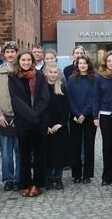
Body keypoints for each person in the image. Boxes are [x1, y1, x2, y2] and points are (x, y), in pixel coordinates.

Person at [8, 51, 50, 197]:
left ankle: (37, 184)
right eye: (23, 60)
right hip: (23, 122)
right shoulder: (13, 78)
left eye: (28, 60)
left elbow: (45, 97)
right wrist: (30, 115)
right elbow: (16, 101)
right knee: (24, 154)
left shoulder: (40, 76)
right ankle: (25, 183)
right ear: (18, 61)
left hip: (40, 121)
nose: (25, 62)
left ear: (32, 61)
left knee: (39, 154)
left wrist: (35, 114)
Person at [0, 41, 21, 191]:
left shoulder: (21, 69)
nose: (10, 55)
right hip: (4, 117)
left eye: (12, 52)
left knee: (19, 149)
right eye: (7, 52)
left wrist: (20, 116)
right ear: (4, 54)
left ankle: (18, 178)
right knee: (6, 151)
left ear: (17, 53)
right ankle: (8, 178)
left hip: (19, 117)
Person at [93, 51, 112, 186]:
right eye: (109, 61)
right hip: (105, 115)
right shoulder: (99, 77)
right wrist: (95, 116)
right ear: (105, 62)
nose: (111, 63)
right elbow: (96, 97)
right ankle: (107, 176)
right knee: (107, 146)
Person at [66, 55, 97, 184]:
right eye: (80, 63)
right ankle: (76, 174)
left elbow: (94, 98)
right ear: (77, 65)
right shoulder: (71, 79)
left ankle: (87, 175)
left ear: (88, 65)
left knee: (89, 146)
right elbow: (69, 98)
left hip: (89, 116)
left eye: (85, 63)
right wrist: (77, 114)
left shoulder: (94, 79)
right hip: (75, 117)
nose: (82, 65)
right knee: (75, 146)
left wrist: (84, 113)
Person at [44, 62, 70, 190]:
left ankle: (58, 177)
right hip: (46, 127)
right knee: (47, 153)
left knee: (59, 153)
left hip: (59, 127)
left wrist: (61, 124)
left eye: (55, 72)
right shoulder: (41, 88)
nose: (53, 74)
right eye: (50, 72)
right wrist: (45, 125)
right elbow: (39, 108)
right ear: (46, 73)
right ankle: (48, 178)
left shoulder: (62, 88)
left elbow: (67, 108)